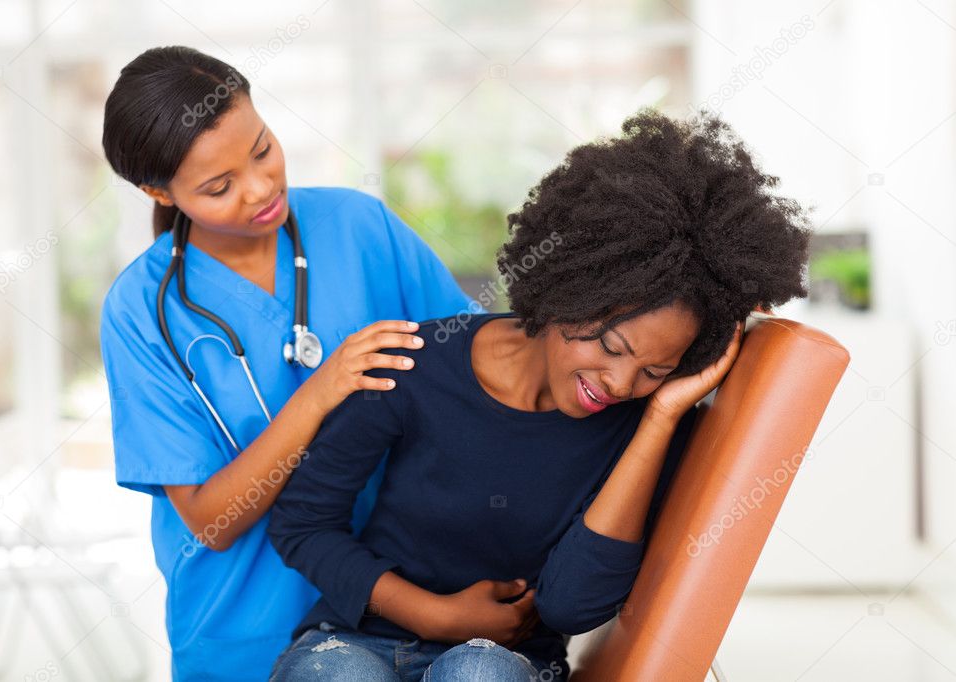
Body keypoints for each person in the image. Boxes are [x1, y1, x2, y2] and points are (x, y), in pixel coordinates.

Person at [267, 109, 812, 681]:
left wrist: (662, 416)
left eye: (656, 370)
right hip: (356, 640)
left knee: (479, 671)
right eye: (611, 345)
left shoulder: (642, 427)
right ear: (564, 292)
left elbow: (572, 607)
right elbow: (303, 524)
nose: (621, 384)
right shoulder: (414, 366)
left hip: (508, 658)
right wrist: (433, 614)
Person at [98, 46, 475, 680]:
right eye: (219, 187)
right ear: (158, 191)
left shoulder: (359, 226)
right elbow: (211, 521)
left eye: (263, 149)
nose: (261, 188)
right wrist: (320, 392)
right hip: (246, 631)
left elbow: (480, 368)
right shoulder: (140, 311)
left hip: (409, 609)